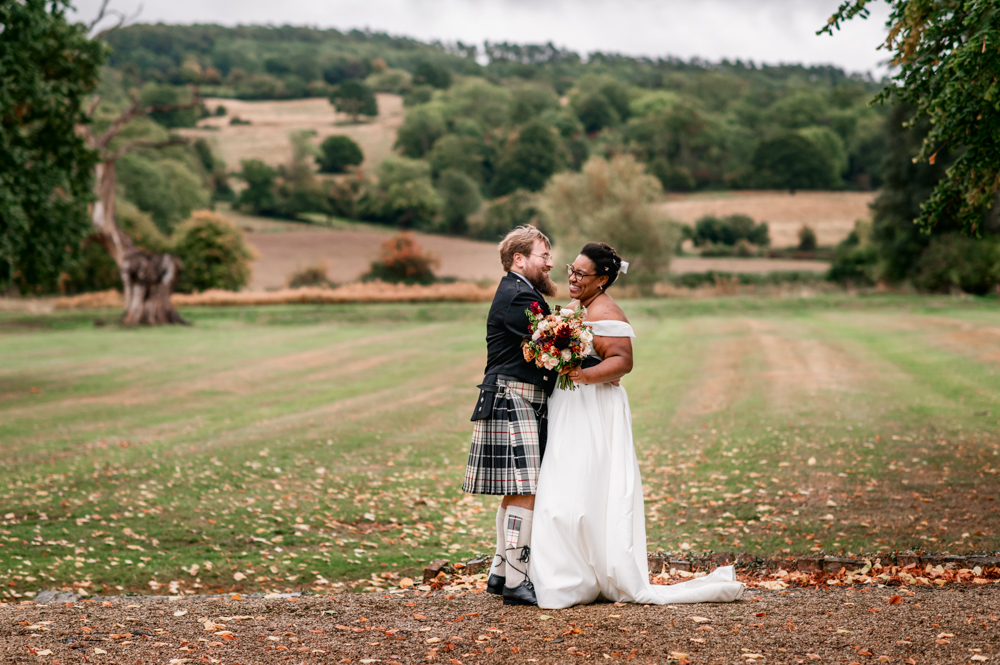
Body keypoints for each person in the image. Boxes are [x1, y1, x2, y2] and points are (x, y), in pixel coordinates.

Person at [531, 242, 744, 608]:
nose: (572, 276)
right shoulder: (575, 308)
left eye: (582, 273)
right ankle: (569, 574)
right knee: (564, 484)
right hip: (571, 405)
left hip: (594, 407)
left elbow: (623, 362)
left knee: (588, 484)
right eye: (572, 268)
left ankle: (586, 574)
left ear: (603, 279)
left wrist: (581, 374)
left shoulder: (608, 311)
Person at [462, 225, 557, 606]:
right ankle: (518, 581)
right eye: (543, 256)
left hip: (513, 396)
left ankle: (501, 574)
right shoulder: (518, 296)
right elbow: (551, 343)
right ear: (519, 259)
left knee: (515, 491)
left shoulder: (522, 292)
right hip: (511, 396)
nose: (549, 263)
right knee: (525, 490)